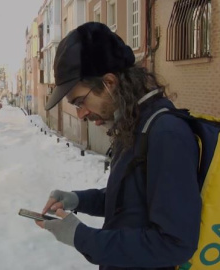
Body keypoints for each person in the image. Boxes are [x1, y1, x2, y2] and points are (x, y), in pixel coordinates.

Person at [35, 22, 201, 270]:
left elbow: (175, 243)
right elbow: (130, 202)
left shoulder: (166, 133)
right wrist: (78, 200)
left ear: (110, 82)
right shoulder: (135, 125)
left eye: (81, 101)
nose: (80, 114)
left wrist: (83, 238)